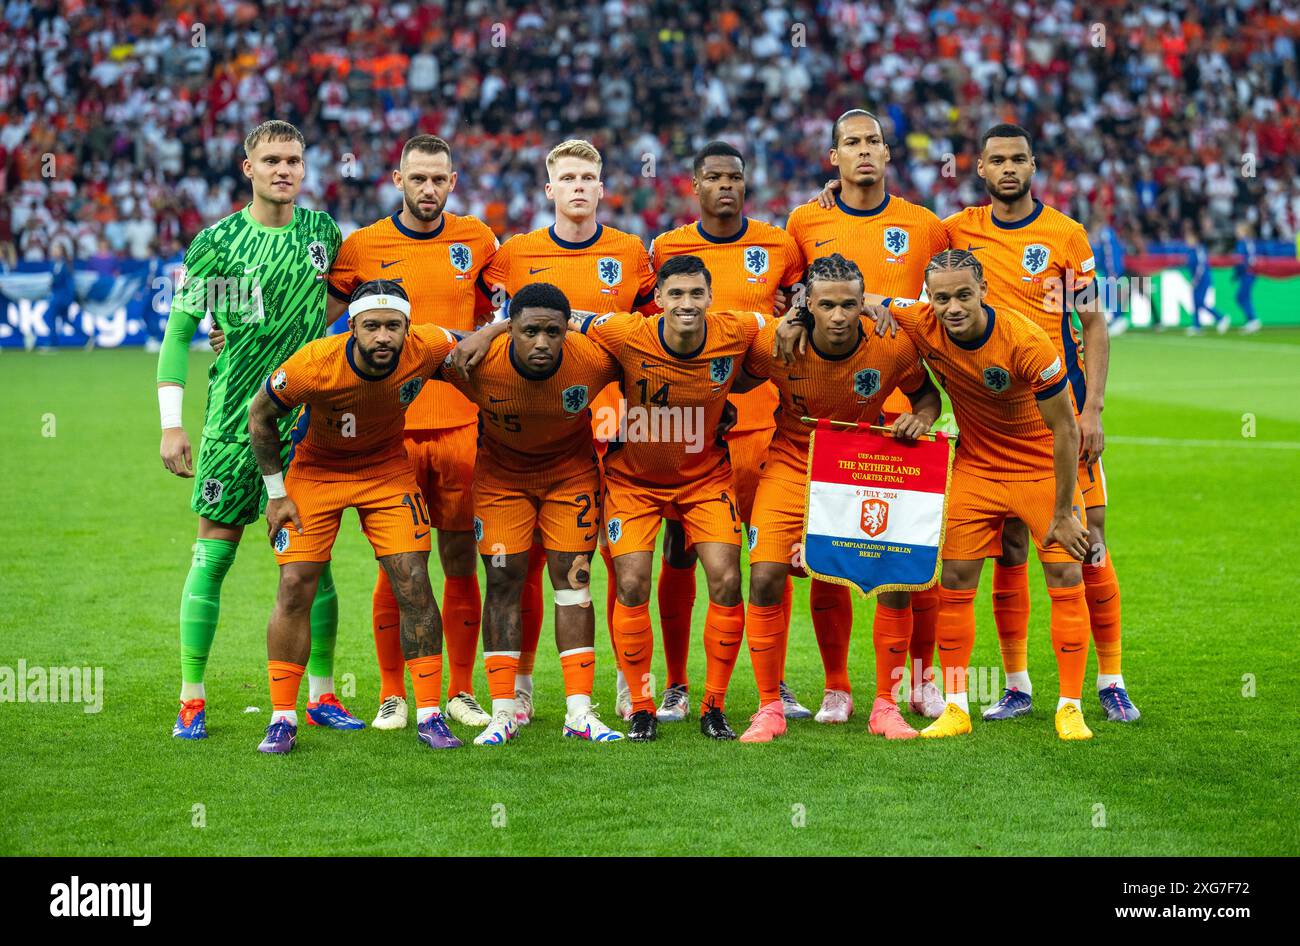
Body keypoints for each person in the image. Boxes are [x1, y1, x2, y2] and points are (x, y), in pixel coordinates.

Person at [157, 120, 349, 740]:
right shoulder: (217, 244)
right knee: (213, 556)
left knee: (312, 564)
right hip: (232, 426)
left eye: (294, 159)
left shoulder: (323, 233)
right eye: (271, 160)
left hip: (304, 428)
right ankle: (191, 696)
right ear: (248, 167)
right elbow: (179, 334)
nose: (284, 170)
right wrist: (171, 428)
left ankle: (321, 694)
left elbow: (340, 303)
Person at [945, 123, 1138, 723]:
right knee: (1008, 550)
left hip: (1063, 420)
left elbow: (1095, 323)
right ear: (979, 167)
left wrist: (1094, 409)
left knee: (1090, 546)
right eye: (997, 160)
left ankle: (1111, 680)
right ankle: (1018, 684)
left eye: (1019, 159)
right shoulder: (959, 232)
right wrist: (831, 189)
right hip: (994, 430)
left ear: (1034, 166)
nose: (1009, 169)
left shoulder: (1064, 234)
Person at [878, 251, 1095, 741]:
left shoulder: (1026, 342)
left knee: (1064, 571)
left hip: (1038, 466)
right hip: (976, 466)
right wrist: (800, 314)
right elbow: (865, 301)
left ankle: (1070, 707)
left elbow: (1065, 431)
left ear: (983, 291)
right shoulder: (921, 321)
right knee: (953, 578)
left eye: (962, 295)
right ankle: (955, 707)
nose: (952, 306)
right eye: (941, 297)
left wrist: (1064, 510)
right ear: (928, 299)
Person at [479, 138, 657, 723]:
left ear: (602, 189)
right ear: (550, 189)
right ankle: (522, 684)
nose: (579, 187)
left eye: (589, 177)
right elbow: (492, 325)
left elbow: (650, 340)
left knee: (616, 558)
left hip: (616, 426)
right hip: (541, 425)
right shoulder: (515, 253)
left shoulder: (631, 252)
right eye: (568, 178)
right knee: (522, 562)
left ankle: (631, 683)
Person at [326, 134, 499, 731]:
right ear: (397, 178)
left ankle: (460, 689)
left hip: (461, 425)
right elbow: (317, 322)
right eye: (418, 178)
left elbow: (503, 315)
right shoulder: (362, 246)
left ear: (453, 181)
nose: (428, 189)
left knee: (458, 558)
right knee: (396, 563)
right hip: (388, 432)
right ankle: (394, 693)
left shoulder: (477, 241)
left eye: (439, 179)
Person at [246, 280, 462, 754]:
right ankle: (282, 718)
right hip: (316, 470)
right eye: (371, 326)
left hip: (385, 469)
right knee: (295, 585)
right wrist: (276, 493)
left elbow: (469, 343)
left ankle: (429, 713)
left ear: (408, 327)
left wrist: (502, 326)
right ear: (352, 327)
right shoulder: (313, 363)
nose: (383, 336)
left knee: (413, 581)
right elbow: (259, 415)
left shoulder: (425, 345)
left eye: (393, 326)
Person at [741, 254, 941, 743]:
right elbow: (733, 379)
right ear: (808, 304)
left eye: (849, 305)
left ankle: (885, 706)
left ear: (864, 304)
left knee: (894, 577)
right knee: (766, 574)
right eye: (826, 305)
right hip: (791, 463)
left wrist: (922, 419)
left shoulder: (890, 346)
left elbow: (927, 396)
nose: (837, 316)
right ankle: (769, 708)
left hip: (859, 469)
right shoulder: (776, 343)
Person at [647, 140, 810, 723]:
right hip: (693, 428)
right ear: (694, 185)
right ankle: (675, 683)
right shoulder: (668, 248)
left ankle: (778, 681)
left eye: (735, 177)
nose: (725, 186)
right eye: (713, 176)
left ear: (746, 183)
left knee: (773, 555)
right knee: (680, 549)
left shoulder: (779, 246)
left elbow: (799, 321)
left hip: (768, 424)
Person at [797, 109, 953, 721]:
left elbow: (944, 298)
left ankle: (919, 681)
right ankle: (837, 687)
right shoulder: (806, 221)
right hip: (835, 419)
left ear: (889, 154)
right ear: (832, 159)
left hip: (908, 413)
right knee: (830, 558)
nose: (864, 151)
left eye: (873, 142)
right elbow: (795, 302)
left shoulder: (924, 226)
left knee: (916, 562)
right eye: (850, 143)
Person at [581, 254, 767, 741]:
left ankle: (713, 706)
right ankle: (642, 705)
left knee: (727, 580)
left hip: (704, 479)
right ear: (658, 299)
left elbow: (781, 323)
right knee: (632, 583)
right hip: (632, 482)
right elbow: (565, 319)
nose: (687, 304)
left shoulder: (736, 331)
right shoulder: (626, 332)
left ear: (710, 297)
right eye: (676, 294)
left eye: (696, 294)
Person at [442, 282, 625, 745]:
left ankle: (579, 712)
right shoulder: (476, 361)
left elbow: (655, 361)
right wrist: (488, 329)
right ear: (511, 332)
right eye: (529, 331)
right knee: (504, 580)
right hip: (501, 482)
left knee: (575, 583)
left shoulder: (595, 359)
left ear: (567, 331)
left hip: (571, 477)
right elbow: (404, 348)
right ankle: (503, 711)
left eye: (552, 331)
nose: (542, 342)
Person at [1184, 221, 1229, 334]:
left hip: (1202, 280)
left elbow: (1201, 266)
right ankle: (1196, 325)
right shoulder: (1190, 251)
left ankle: (1221, 317)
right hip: (1196, 280)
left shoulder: (1199, 249)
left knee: (1199, 301)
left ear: (1194, 238)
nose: (1187, 241)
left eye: (1188, 238)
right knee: (1195, 302)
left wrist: (1195, 280)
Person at [1233, 222, 1262, 334]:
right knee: (1244, 297)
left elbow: (1248, 259)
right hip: (1245, 273)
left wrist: (1242, 269)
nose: (1236, 232)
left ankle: (1253, 320)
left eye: (1238, 230)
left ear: (1244, 231)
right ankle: (1251, 321)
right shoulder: (1244, 243)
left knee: (1241, 296)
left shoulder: (1245, 242)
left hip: (1249, 273)